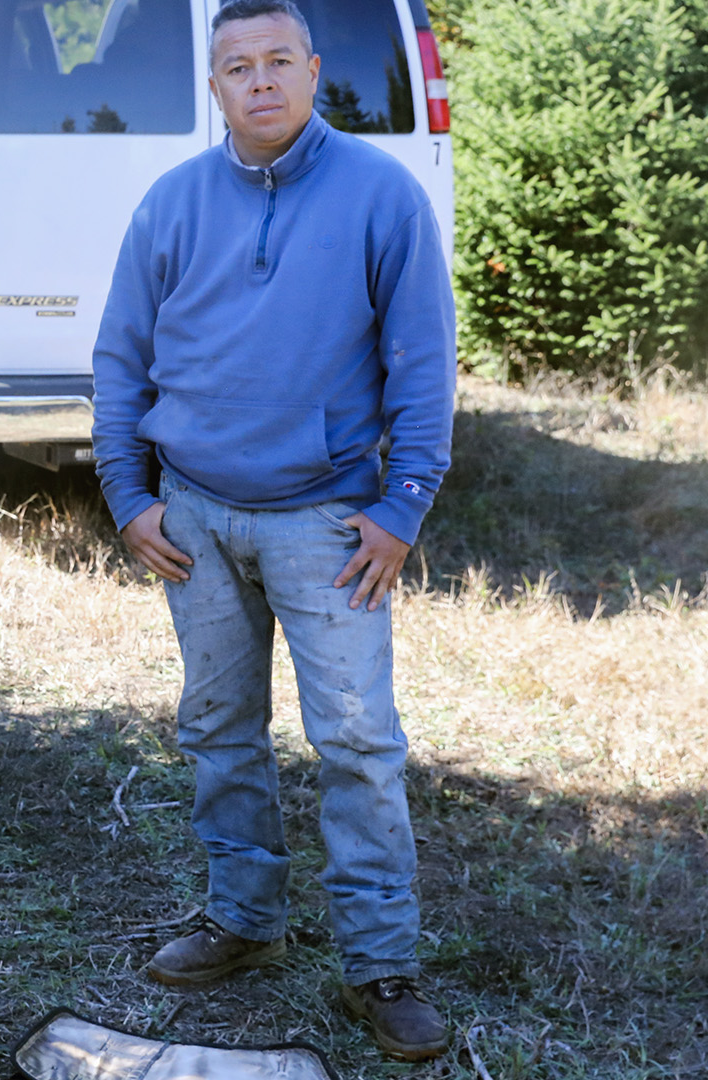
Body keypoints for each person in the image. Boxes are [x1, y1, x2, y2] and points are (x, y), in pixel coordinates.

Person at [89, 0, 455, 1062]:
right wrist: (130, 495)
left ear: (313, 70)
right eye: (237, 66)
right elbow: (121, 360)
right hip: (192, 518)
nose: (259, 80)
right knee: (215, 728)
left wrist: (400, 510)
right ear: (215, 88)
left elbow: (424, 367)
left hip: (328, 523)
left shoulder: (383, 197)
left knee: (356, 743)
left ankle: (380, 965)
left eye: (277, 60)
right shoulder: (170, 204)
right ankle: (244, 919)